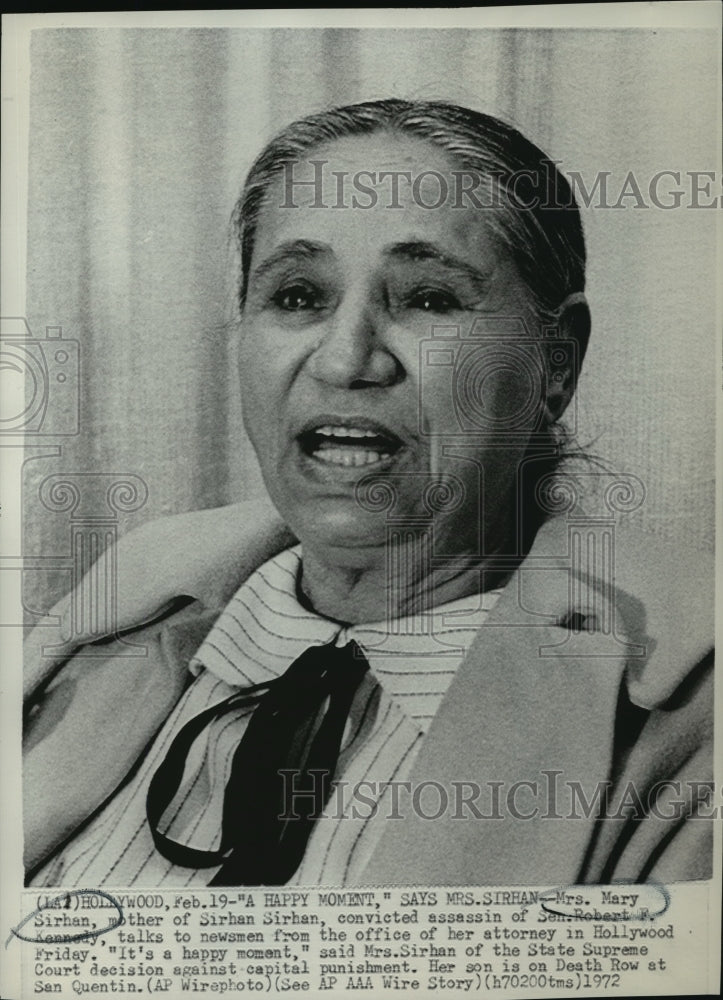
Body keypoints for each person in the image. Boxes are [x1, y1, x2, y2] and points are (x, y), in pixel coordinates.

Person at [23, 99, 713, 888]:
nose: (346, 360)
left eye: (427, 298)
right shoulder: (103, 630)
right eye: (297, 296)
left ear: (555, 363)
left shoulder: (692, 718)